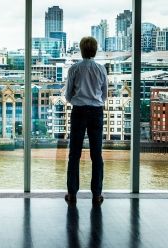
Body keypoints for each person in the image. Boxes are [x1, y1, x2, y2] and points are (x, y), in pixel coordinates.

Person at [64, 36, 108, 205]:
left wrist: (77, 99)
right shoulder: (101, 69)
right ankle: (96, 195)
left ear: (81, 50)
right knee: (96, 155)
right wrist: (95, 100)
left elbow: (68, 94)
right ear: (95, 51)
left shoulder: (74, 69)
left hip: (79, 111)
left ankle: (72, 194)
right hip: (96, 111)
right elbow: (104, 94)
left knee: (74, 153)